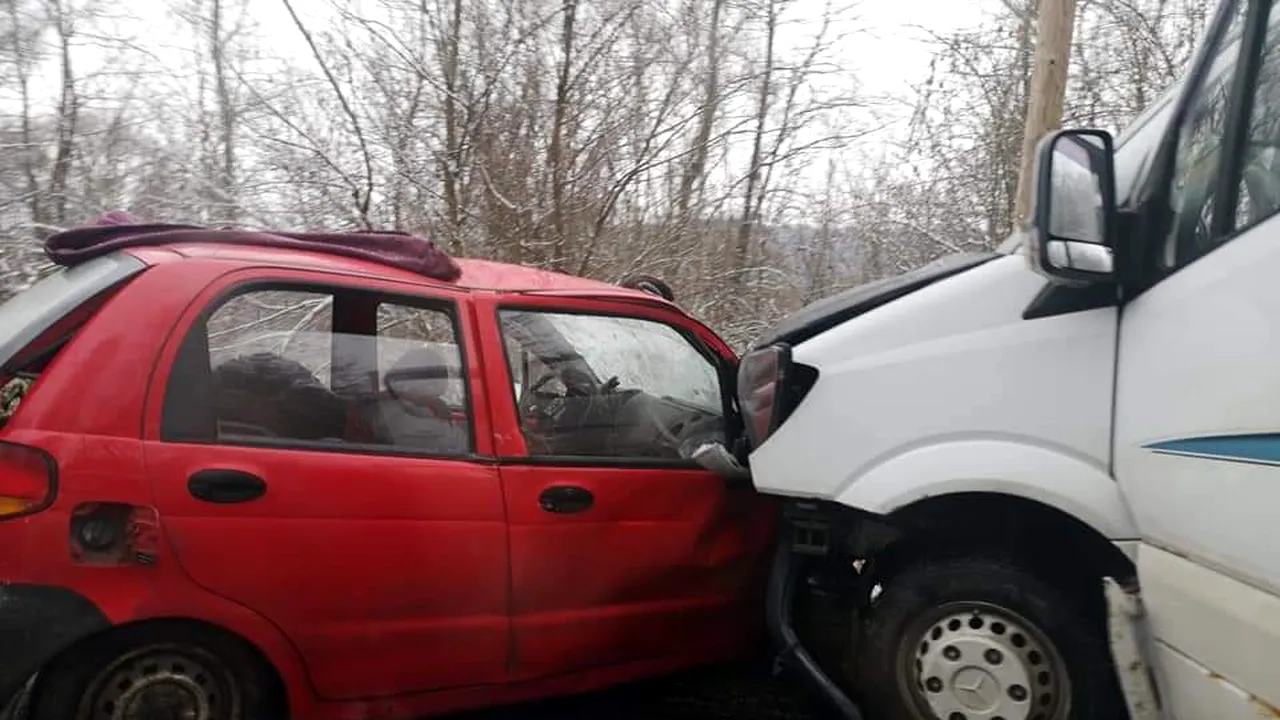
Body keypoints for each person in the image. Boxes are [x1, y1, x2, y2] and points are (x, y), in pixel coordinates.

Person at [376, 345, 469, 454]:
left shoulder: (389, 404)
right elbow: (464, 447)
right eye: (438, 376)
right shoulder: (413, 421)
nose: (440, 385)